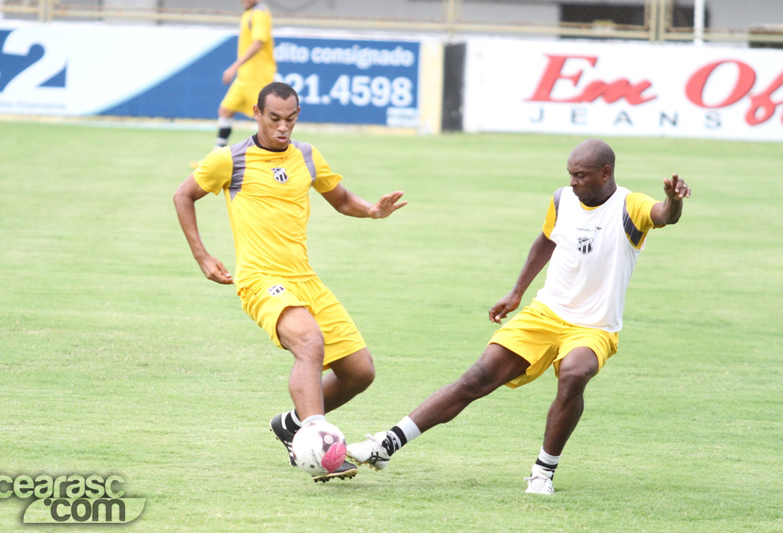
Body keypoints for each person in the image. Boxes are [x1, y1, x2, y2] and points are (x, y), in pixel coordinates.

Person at [346, 138, 691, 494]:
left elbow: (664, 216)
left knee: (574, 374)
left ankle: (543, 472)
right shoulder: (562, 199)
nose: (573, 182)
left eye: (580, 176)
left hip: (593, 326)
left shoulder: (630, 206)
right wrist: (517, 291)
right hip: (545, 312)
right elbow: (546, 240)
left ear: (606, 173)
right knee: (477, 378)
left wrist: (673, 201)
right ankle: (386, 444)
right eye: (570, 175)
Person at [173, 82, 407, 482]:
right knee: (309, 342)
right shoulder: (230, 159)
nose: (284, 127)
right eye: (275, 118)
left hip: (305, 278)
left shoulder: (307, 155)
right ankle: (317, 446)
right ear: (257, 113)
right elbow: (183, 195)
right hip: (260, 279)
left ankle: (292, 426)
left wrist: (371, 211)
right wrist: (202, 255)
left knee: (359, 372)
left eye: (291, 118)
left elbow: (340, 198)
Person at [215, 0, 276, 149]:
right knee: (225, 110)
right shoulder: (250, 13)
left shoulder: (259, 13)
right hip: (245, 76)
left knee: (265, 118)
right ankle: (218, 156)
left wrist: (233, 67)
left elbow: (258, 43)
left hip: (257, 76)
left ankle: (275, 157)